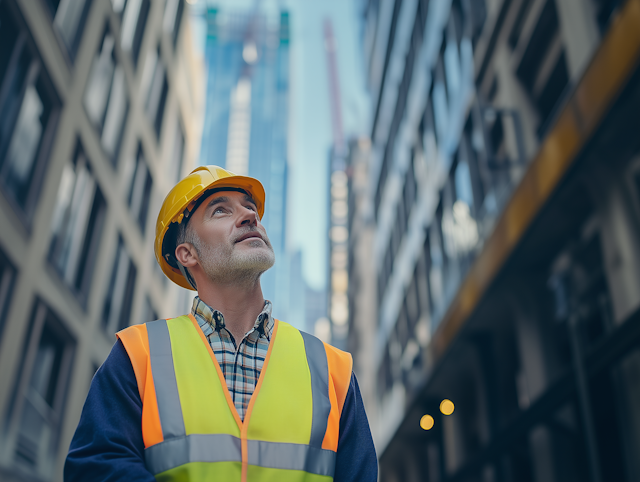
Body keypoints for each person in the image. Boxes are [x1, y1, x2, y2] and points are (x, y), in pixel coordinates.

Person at [64, 166, 377, 481]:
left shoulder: (332, 370)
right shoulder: (138, 354)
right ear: (187, 254)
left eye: (249, 208)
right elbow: (94, 467)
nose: (249, 216)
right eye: (221, 211)